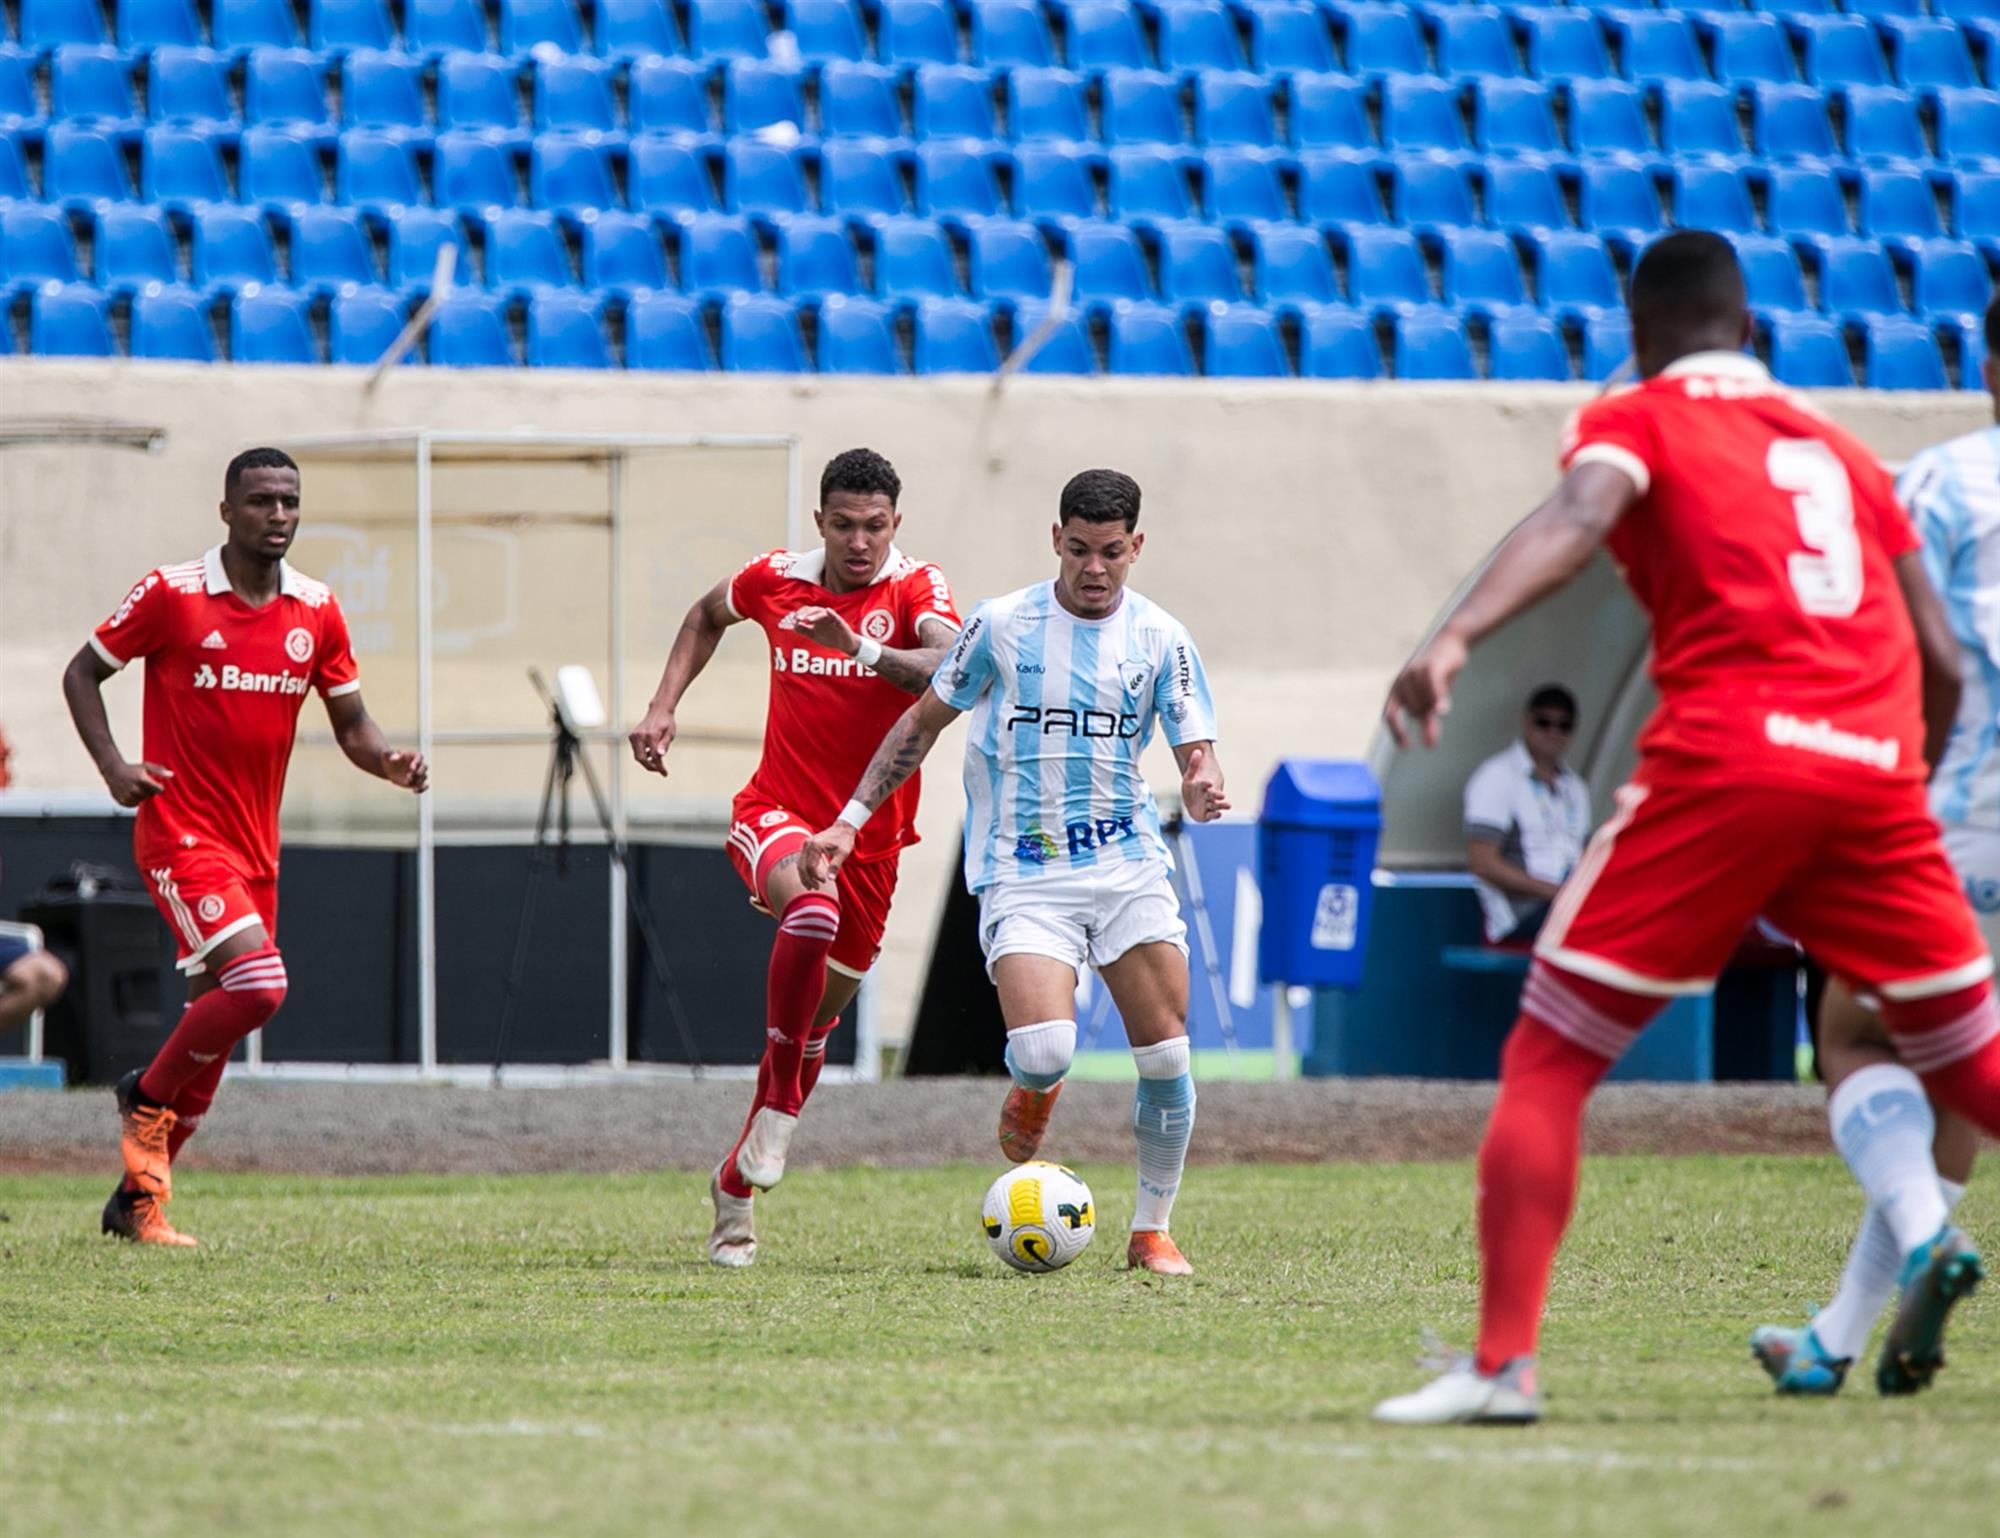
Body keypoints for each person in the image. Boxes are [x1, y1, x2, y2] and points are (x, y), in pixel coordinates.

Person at [1373, 231, 2000, 1426]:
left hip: (1726, 761)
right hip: (1874, 776)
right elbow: (1937, 659)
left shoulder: (1639, 419)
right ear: (1750, 327)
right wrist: (1885, 775)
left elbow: (1575, 513)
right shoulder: (1839, 448)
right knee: (1969, 1062)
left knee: (1550, 1056)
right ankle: (1892, 1263)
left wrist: (1456, 634)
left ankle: (1502, 1365)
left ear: (1636, 325)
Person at [798, 468, 1229, 1277]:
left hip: (1127, 862)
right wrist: (850, 822)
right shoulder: (1001, 625)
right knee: (1041, 1049)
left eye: (1110, 552)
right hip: (1025, 870)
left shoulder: (1161, 638)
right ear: (1054, 540)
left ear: (1136, 546)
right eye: (1077, 550)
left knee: (1167, 1059)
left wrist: (1202, 781)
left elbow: (1195, 749)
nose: (1092, 568)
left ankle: (1151, 1231)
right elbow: (922, 722)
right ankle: (1035, 1090)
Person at [62, 447, 427, 1247]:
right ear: (227, 511)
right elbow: (82, 674)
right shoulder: (174, 593)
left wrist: (387, 761)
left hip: (257, 848)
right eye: (262, 501)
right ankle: (143, 1098)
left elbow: (352, 725)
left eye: (290, 501)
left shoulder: (316, 610)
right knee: (260, 985)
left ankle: (136, 1204)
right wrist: (115, 766)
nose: (279, 516)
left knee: (217, 1032)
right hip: (179, 833)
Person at [1750, 293, 2000, 1397]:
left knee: (1852, 1034)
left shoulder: (1940, 482)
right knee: (1951, 1075)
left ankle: (1907, 1266)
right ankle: (1843, 1334)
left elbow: (1878, 644)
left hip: (1954, 812)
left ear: (1985, 364)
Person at [628, 448, 961, 1268]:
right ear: (819, 522)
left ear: (897, 524)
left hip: (875, 844)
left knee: (817, 1025)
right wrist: (662, 706)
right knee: (812, 910)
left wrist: (861, 648)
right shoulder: (775, 578)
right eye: (843, 525)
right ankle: (778, 1111)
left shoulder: (916, 588)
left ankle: (734, 1191)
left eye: (875, 527)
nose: (859, 542)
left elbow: (953, 664)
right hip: (775, 815)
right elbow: (707, 614)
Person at [1463, 684, 1591, 946]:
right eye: (1544, 722)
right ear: (1527, 721)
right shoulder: (1497, 777)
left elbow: (1586, 857)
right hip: (1521, 915)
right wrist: (1559, 894)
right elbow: (1483, 863)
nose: (1554, 732)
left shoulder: (1576, 788)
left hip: (1566, 906)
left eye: (1565, 725)